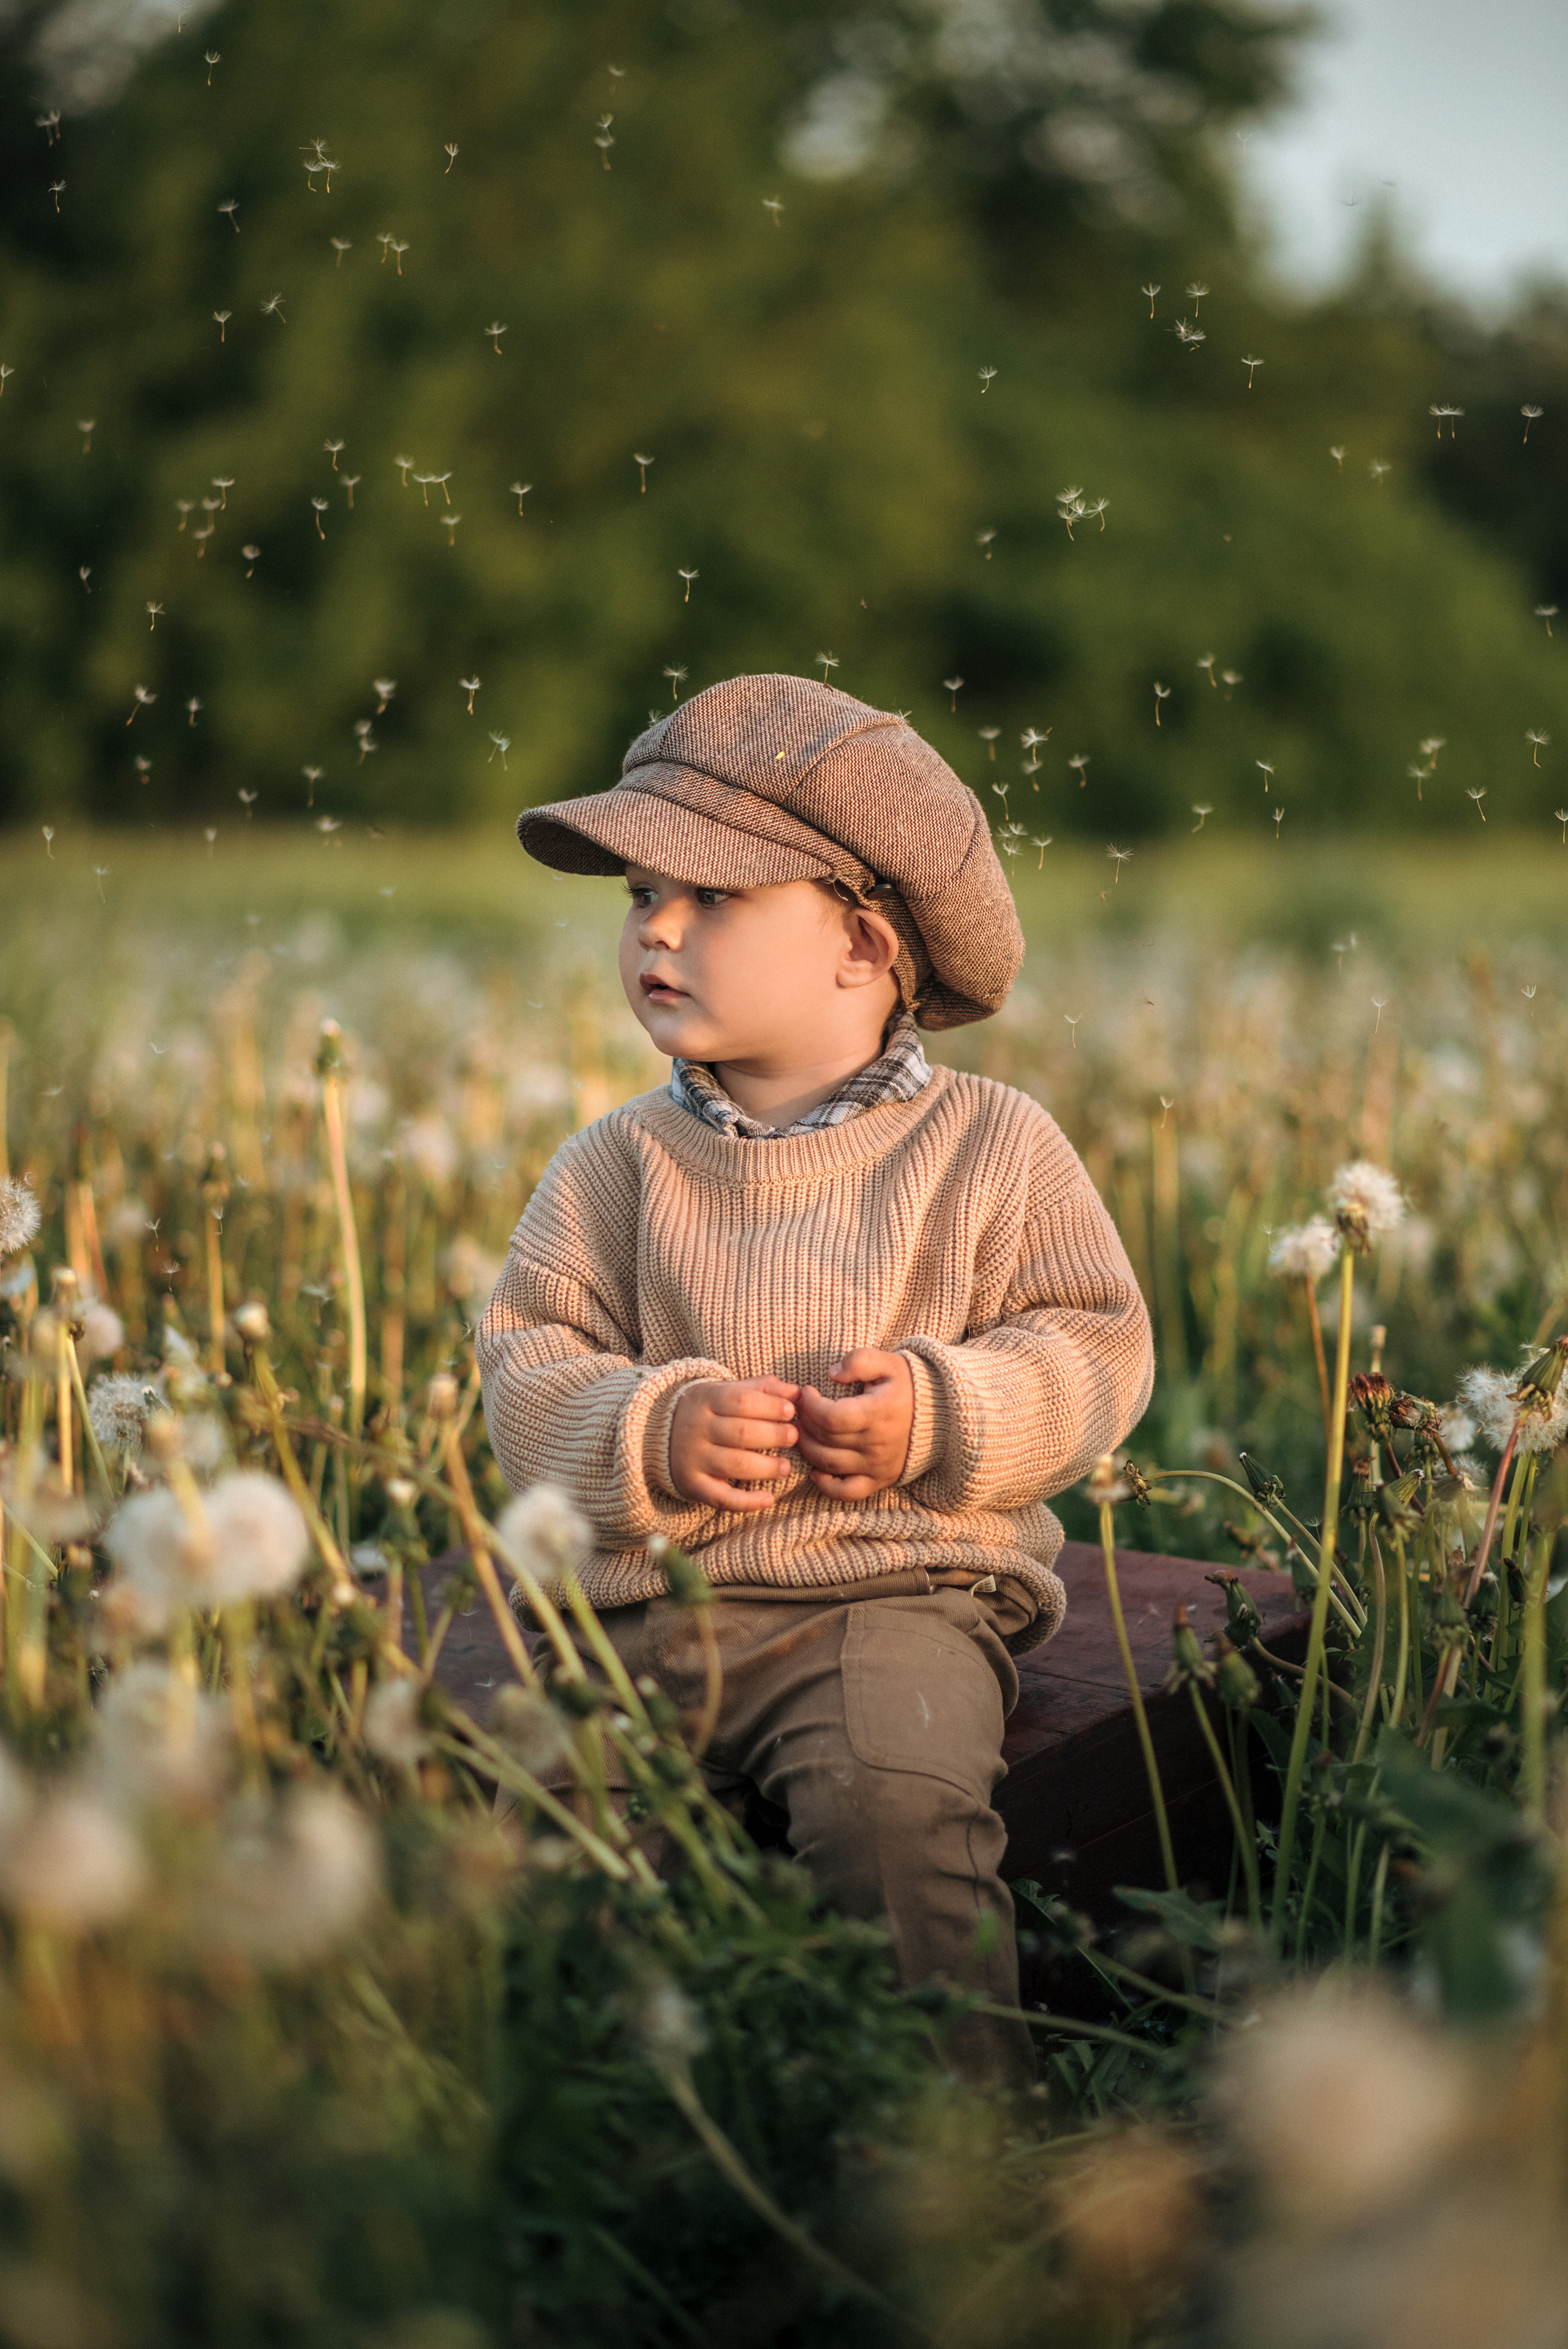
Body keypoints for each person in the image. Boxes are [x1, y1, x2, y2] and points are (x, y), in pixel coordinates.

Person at [477, 672, 1153, 2081]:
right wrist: (645, 1429)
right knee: (544, 1821)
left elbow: (1095, 1344)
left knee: (894, 1818)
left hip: (888, 1599)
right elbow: (525, 1359)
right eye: (637, 894)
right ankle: (621, 2140)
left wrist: (943, 1412)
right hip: (639, 1609)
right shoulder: (616, 1163)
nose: (654, 925)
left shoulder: (991, 1146)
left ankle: (945, 2145)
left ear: (859, 942)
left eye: (710, 895)